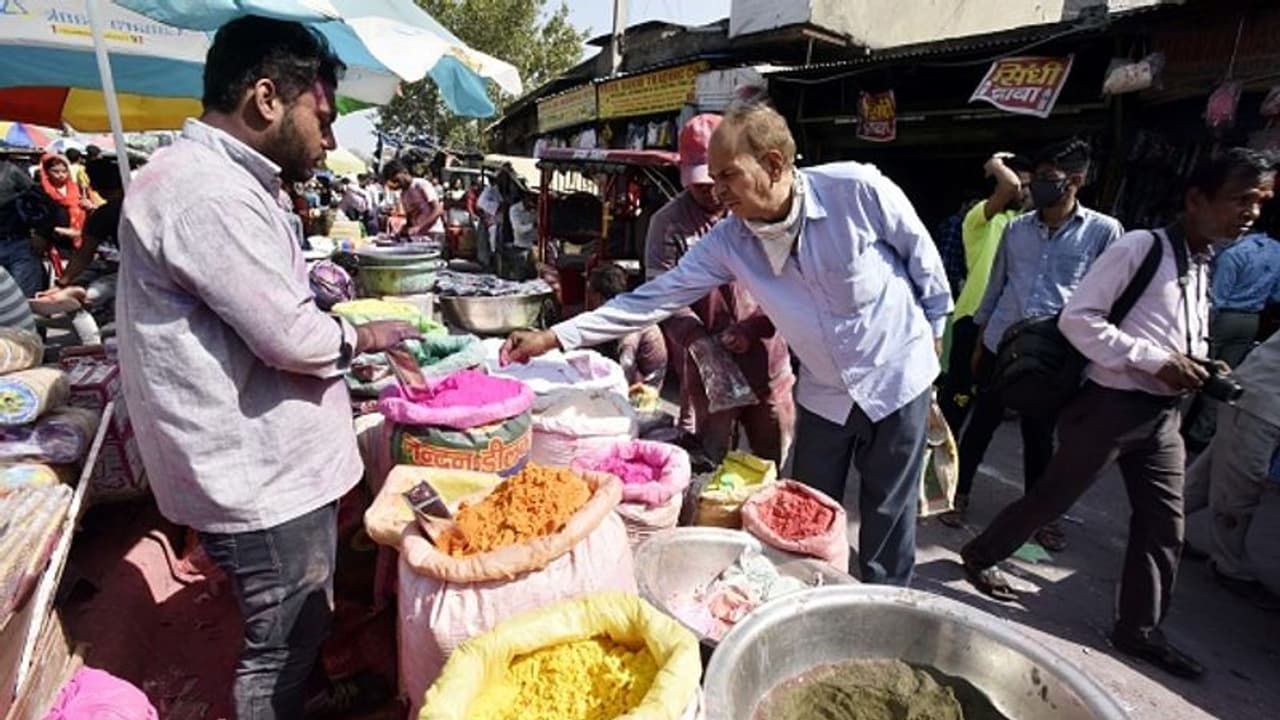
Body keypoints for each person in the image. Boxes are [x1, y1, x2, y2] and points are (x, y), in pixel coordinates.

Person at [502, 101, 953, 585]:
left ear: (774, 164)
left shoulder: (857, 190)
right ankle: (812, 607)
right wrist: (555, 336)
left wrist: (934, 338)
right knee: (807, 509)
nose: (717, 191)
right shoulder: (730, 241)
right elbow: (652, 299)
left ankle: (889, 616)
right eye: (712, 178)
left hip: (897, 377)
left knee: (888, 517)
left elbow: (924, 264)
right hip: (825, 391)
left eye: (728, 176)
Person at [115, 18, 419, 718]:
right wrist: (363, 334)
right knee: (280, 640)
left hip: (273, 469)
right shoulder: (205, 190)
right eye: (324, 116)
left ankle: (305, 693)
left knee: (299, 620)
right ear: (265, 99)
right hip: (258, 478)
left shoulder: (227, 181)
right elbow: (290, 337)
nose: (331, 140)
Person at [961, 148, 1276, 679]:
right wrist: (1156, 360)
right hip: (1110, 407)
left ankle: (1138, 629)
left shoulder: (1203, 261)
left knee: (1164, 526)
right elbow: (1079, 320)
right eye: (1240, 199)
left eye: (1261, 202)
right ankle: (979, 554)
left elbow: (1169, 331)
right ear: (1196, 199)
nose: (1251, 212)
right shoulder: (1140, 247)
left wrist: (1195, 362)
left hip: (1163, 417)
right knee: (1050, 499)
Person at [941, 139, 1123, 552]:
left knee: (1039, 435)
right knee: (980, 424)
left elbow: (1109, 297)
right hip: (1001, 341)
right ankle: (958, 495)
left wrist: (1094, 357)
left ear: (1077, 180)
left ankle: (1039, 516)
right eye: (1036, 179)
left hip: (1056, 351)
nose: (1036, 189)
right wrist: (980, 338)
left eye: (1047, 180)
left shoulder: (1104, 232)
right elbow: (996, 284)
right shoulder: (1016, 228)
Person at [644, 112, 796, 464]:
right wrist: (698, 340)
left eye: (721, 177)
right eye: (702, 180)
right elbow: (662, 297)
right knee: (712, 462)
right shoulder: (667, 224)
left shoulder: (756, 208)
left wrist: (752, 326)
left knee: (770, 460)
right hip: (709, 368)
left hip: (768, 360)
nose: (711, 190)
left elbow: (790, 286)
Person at [1183, 329, 1280, 611]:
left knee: (1205, 480)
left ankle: (1159, 526)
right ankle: (1230, 567)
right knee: (1240, 491)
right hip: (1261, 405)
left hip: (1260, 403)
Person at [938, 153, 1031, 431]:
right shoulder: (982, 218)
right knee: (958, 399)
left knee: (987, 406)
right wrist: (995, 165)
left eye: (1030, 186)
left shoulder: (1028, 226)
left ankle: (961, 471)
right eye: (1023, 185)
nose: (1025, 191)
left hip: (1007, 325)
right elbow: (1009, 188)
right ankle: (936, 468)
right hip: (973, 319)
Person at [1181, 216, 1280, 450]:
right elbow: (1276, 296)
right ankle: (1201, 433)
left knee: (1199, 372)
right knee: (1227, 377)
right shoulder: (1277, 253)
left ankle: (1176, 424)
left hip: (1224, 317)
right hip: (1251, 320)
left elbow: (1218, 297)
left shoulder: (1234, 254)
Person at [586, 262, 667, 396]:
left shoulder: (628, 324)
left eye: (590, 293)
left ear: (598, 297)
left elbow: (626, 366)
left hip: (644, 387)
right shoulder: (619, 310)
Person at [0, 154, 48, 298]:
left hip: (17, 244)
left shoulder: (10, 171)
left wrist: (41, 233)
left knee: (24, 299)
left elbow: (43, 202)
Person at [383, 160, 443, 237]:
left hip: (434, 233)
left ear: (404, 172)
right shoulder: (403, 194)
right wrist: (402, 231)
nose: (396, 184)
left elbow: (438, 210)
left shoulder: (421, 184)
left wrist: (419, 227)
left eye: (397, 180)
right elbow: (410, 219)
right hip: (419, 236)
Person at [39, 153, 87, 247]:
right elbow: (37, 220)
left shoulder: (76, 188)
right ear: (47, 172)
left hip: (79, 240)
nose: (61, 175)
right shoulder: (42, 192)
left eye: (64, 171)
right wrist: (59, 230)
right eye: (56, 172)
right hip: (54, 241)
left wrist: (89, 205)